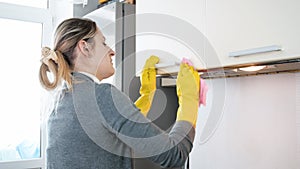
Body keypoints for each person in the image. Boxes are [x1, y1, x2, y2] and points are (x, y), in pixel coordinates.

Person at [39, 18, 200, 169]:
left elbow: (110, 129)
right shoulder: (102, 96)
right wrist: (189, 99)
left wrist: (147, 95)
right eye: (103, 43)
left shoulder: (60, 98)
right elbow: (173, 155)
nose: (112, 52)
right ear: (85, 47)